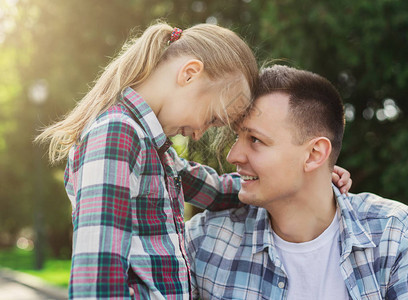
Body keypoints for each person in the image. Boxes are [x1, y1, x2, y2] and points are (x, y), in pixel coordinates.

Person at [36, 22, 349, 298]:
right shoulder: (117, 135)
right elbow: (96, 281)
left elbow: (215, 190)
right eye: (212, 118)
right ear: (189, 74)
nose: (199, 134)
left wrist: (312, 173)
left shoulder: (154, 150)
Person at [185, 65, 408, 299]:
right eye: (236, 137)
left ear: (314, 154)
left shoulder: (394, 236)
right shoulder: (205, 240)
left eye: (255, 139)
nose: (233, 156)